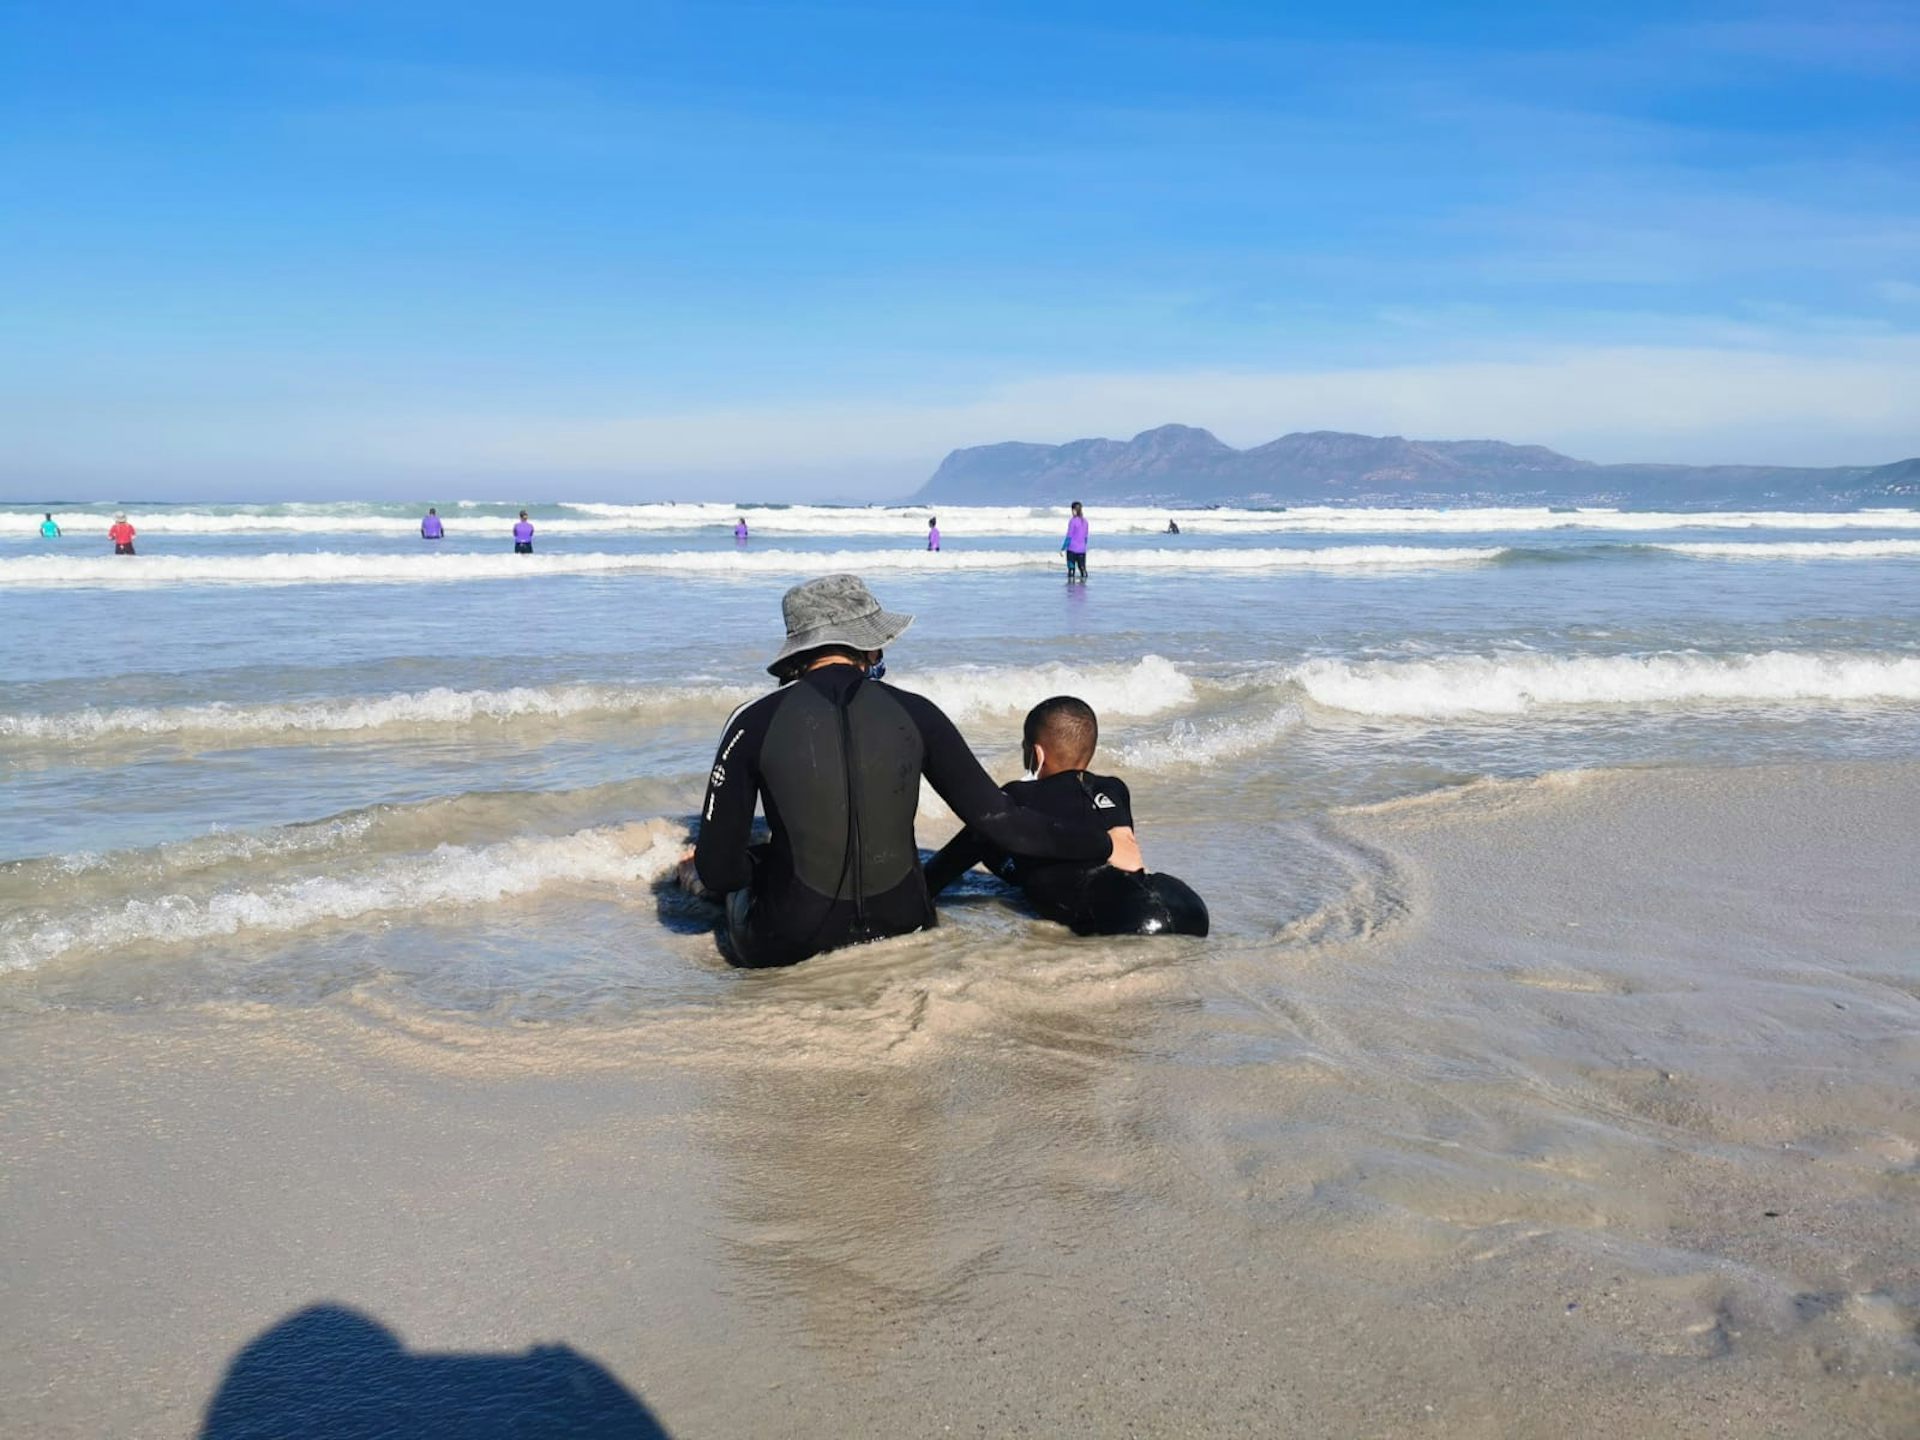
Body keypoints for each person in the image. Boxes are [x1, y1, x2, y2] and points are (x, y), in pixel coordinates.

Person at [679, 574, 1141, 968]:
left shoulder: (753, 720)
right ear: (869, 645)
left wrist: (741, 865)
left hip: (784, 945)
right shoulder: (918, 712)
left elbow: (721, 872)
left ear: (800, 651)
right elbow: (1003, 822)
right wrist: (1104, 843)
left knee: (733, 862)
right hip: (906, 925)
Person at [925, 695, 1209, 937]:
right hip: (1182, 903)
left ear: (1036, 754)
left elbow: (947, 864)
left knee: (987, 840)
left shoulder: (1016, 796)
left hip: (1118, 920)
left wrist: (925, 886)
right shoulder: (1114, 787)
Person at [1062, 501, 1088, 581]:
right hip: (1082, 550)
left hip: (1071, 550)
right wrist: (1083, 546)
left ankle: (1071, 589)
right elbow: (1086, 537)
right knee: (1082, 569)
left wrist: (1063, 548)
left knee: (1071, 569)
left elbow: (1069, 536)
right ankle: (1084, 587)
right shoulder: (1085, 521)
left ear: (1074, 510)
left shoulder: (1072, 521)